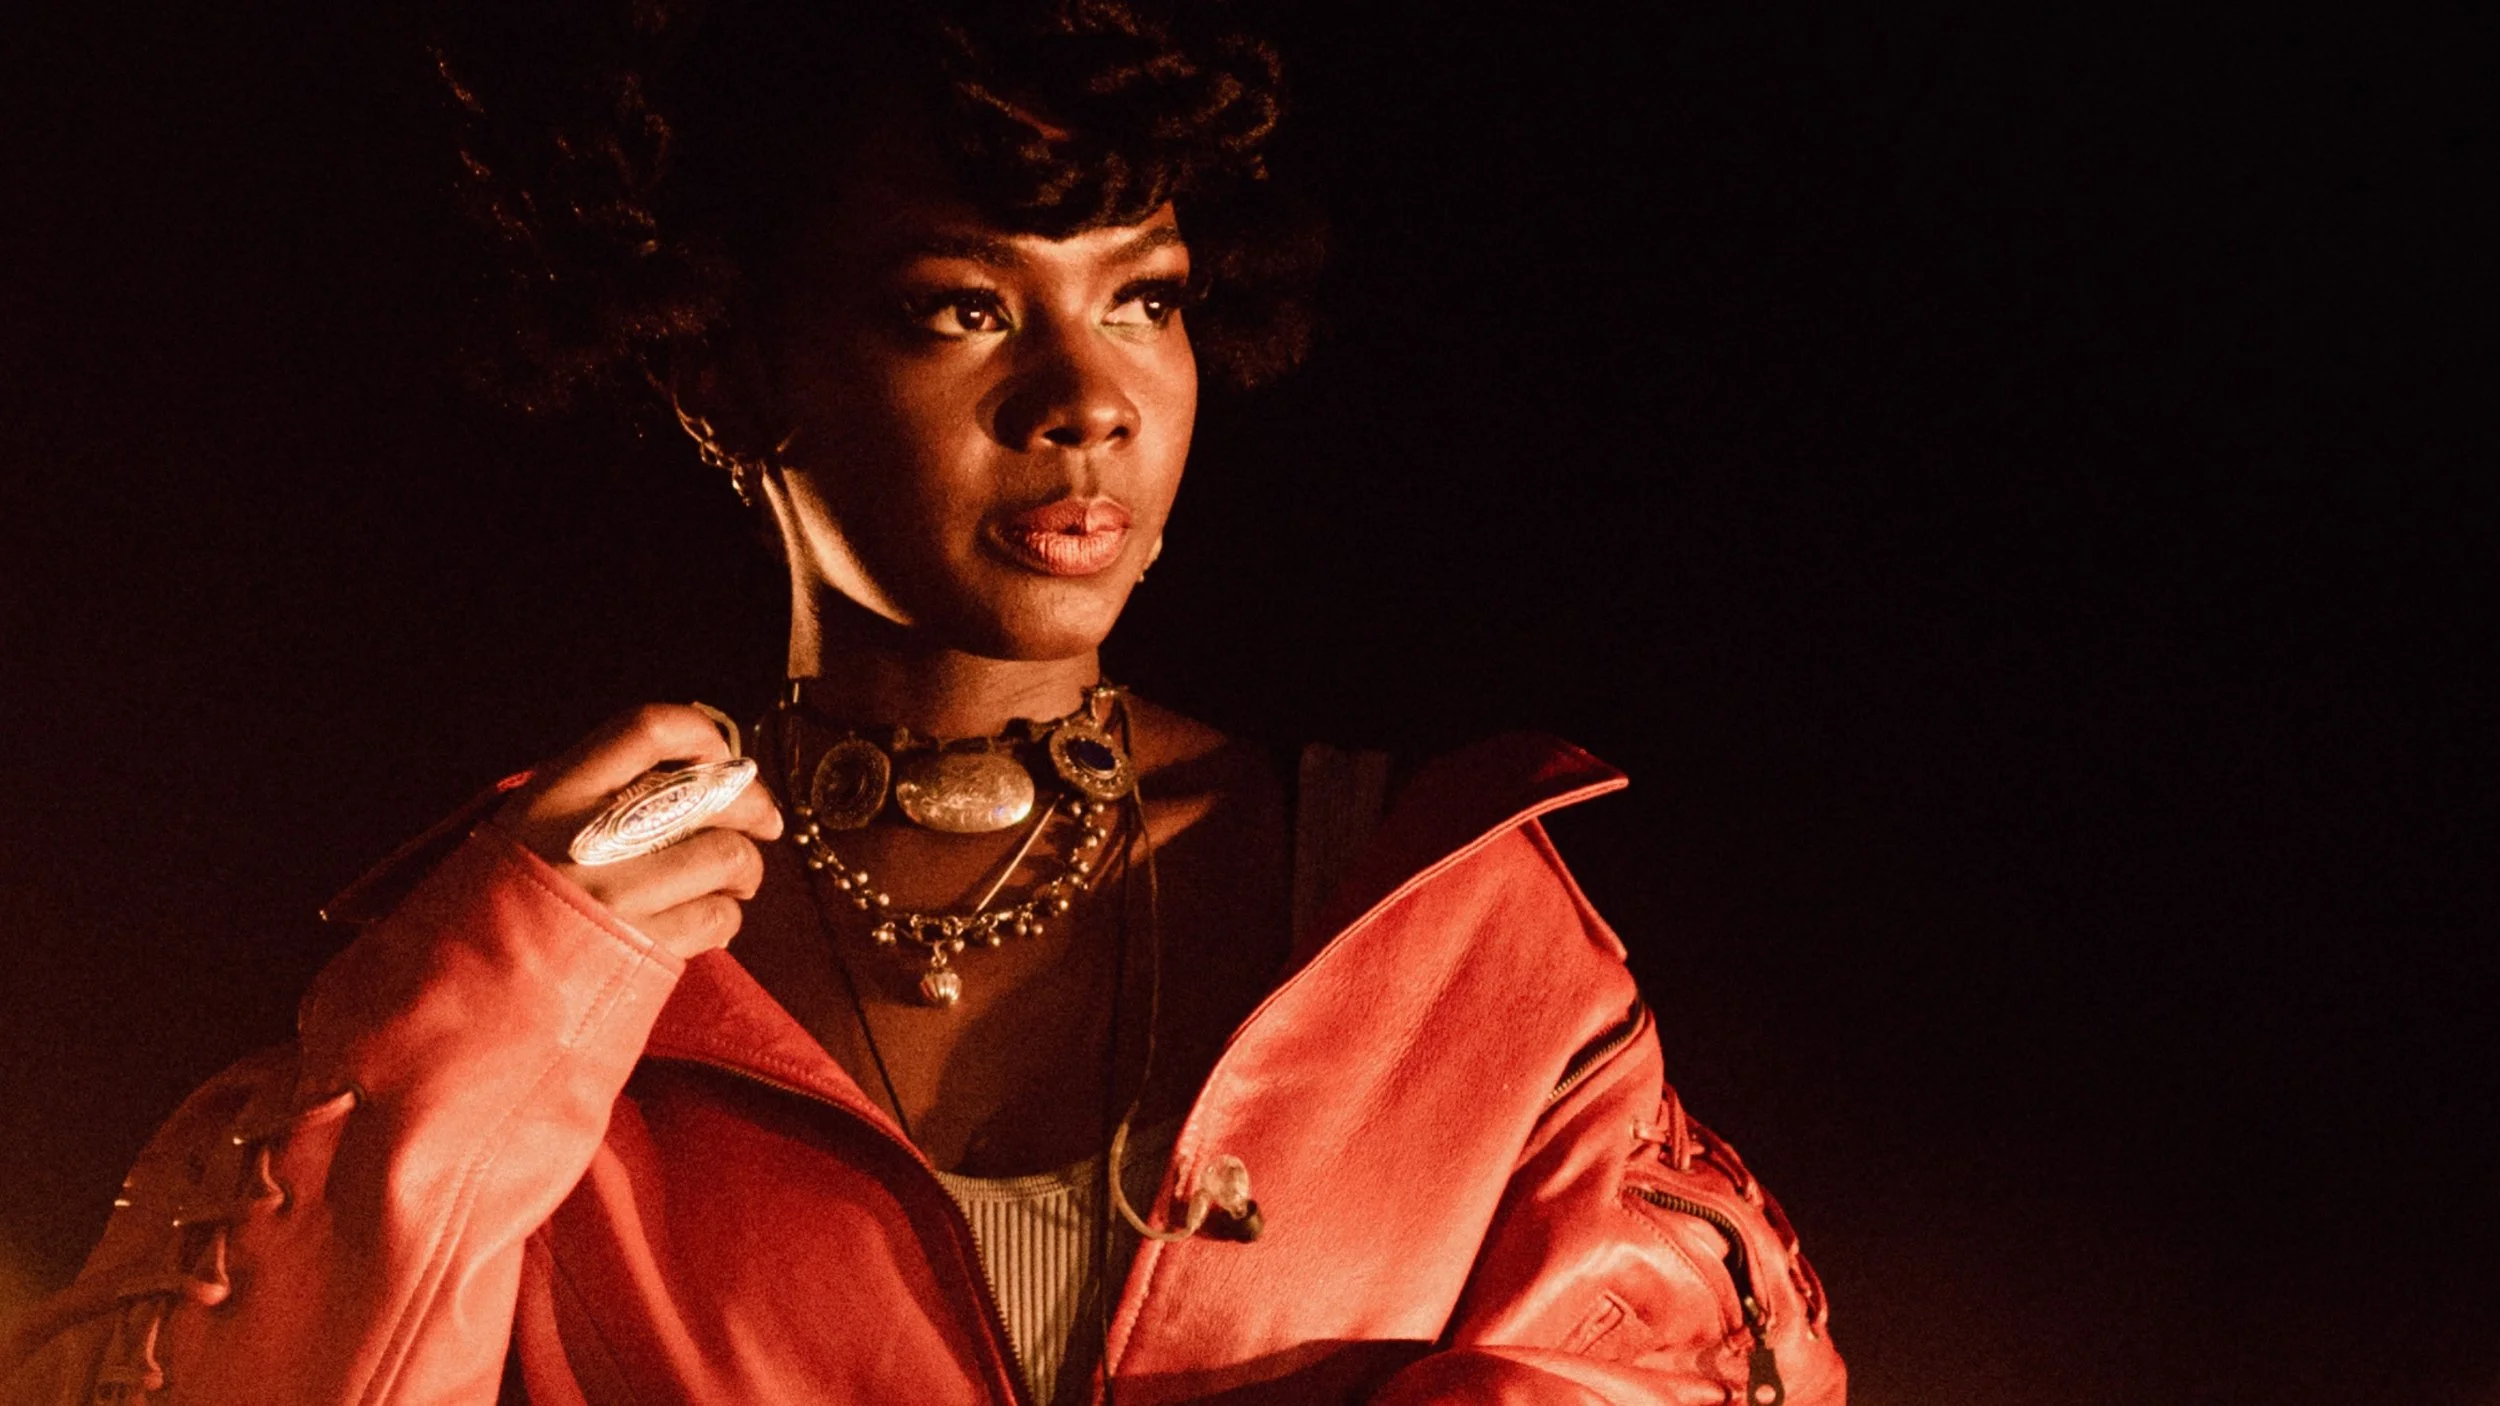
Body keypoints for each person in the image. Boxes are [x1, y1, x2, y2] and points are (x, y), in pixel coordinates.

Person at [2, 2, 1845, 1401]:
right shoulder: (539, 961)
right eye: (966, 308)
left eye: (1147, 298)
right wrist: (471, 1033)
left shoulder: (1451, 938)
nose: (1089, 397)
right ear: (726, 362)